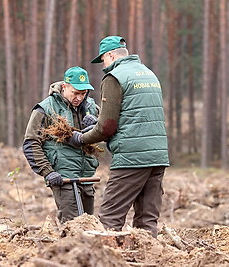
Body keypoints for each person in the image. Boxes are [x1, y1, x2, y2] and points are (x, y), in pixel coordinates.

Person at [68, 36, 170, 237]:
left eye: (103, 60)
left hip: (132, 158)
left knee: (110, 218)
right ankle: (149, 257)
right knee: (147, 221)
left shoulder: (115, 78)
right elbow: (136, 117)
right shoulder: (149, 74)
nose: (104, 66)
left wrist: (81, 138)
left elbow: (107, 127)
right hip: (158, 157)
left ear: (111, 55)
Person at [23, 66, 99, 223]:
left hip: (87, 177)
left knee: (89, 224)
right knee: (72, 225)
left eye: (83, 93)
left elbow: (107, 131)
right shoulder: (46, 108)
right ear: (64, 86)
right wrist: (48, 172)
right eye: (75, 93)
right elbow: (31, 144)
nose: (79, 97)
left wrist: (98, 124)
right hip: (63, 177)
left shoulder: (91, 107)